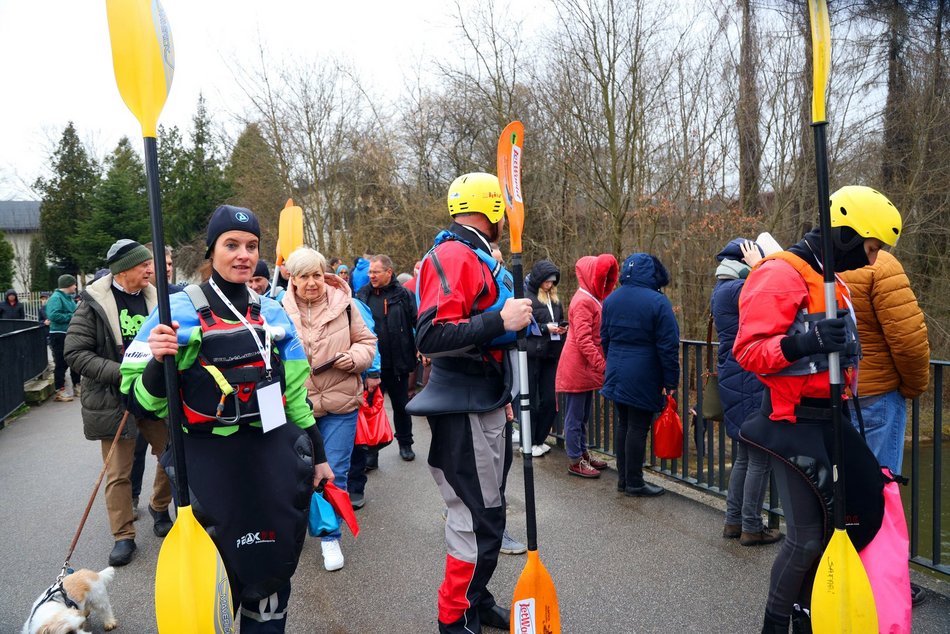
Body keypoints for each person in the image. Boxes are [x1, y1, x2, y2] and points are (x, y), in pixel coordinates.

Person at [120, 205, 334, 632]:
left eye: (252, 246)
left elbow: (295, 398)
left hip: (269, 460)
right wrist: (158, 361)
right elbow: (138, 402)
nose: (243, 255)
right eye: (231, 245)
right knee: (221, 574)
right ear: (211, 250)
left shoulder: (272, 312)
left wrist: (320, 457)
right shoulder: (173, 311)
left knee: (270, 570)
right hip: (206, 465)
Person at [734, 185, 901, 633]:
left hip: (832, 420)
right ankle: (774, 625)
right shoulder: (780, 274)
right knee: (806, 538)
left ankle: (810, 614)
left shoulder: (832, 280)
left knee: (843, 527)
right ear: (845, 235)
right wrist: (804, 343)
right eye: (870, 248)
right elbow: (747, 351)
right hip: (793, 422)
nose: (871, 260)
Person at [408, 171, 532, 633]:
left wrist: (502, 392)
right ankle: (455, 618)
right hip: (462, 406)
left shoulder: (476, 253)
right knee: (476, 518)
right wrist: (501, 320)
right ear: (495, 209)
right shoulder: (454, 254)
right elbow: (431, 336)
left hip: (485, 397)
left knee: (489, 511)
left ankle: (475, 601)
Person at [64, 239, 173, 566]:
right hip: (114, 398)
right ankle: (123, 536)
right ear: (123, 270)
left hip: (153, 393)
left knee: (172, 456)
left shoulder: (158, 298)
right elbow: (75, 353)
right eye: (144, 265)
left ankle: (159, 506)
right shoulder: (93, 304)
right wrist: (122, 372)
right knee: (118, 472)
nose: (151, 270)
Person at [281, 247, 376, 571]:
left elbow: (367, 342)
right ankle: (295, 530)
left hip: (340, 403)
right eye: (304, 276)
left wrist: (356, 358)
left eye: (317, 275)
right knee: (297, 474)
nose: (312, 282)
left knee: (333, 470)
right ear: (293, 279)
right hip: (297, 407)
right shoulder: (277, 309)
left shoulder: (345, 304)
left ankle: (329, 536)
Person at [712, 239, 782, 544]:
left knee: (744, 454)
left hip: (736, 376)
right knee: (760, 457)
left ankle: (734, 521)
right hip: (749, 378)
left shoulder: (722, 288)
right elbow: (772, 294)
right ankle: (752, 526)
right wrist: (761, 266)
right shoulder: (738, 289)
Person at [839, 249, 929, 475]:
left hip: (828, 396)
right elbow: (908, 341)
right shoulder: (881, 265)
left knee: (838, 486)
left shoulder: (817, 261)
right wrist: (913, 387)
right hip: (875, 399)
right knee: (881, 485)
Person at [601, 253, 680, 497]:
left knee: (624, 424)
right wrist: (670, 380)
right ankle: (635, 482)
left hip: (616, 370)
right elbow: (668, 346)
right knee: (638, 427)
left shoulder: (612, 299)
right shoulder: (658, 302)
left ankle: (624, 480)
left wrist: (613, 361)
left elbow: (604, 338)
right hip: (643, 373)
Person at [130, 243, 184, 518]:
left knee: (169, 452)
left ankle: (159, 506)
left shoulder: (179, 298)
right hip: (130, 388)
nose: (166, 269)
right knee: (133, 453)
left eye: (170, 264)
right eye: (159, 264)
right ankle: (131, 497)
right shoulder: (125, 297)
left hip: (166, 389)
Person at [554, 254, 618, 478]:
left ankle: (582, 453)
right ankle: (575, 460)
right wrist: (602, 365)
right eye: (602, 277)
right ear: (592, 276)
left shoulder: (590, 298)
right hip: (577, 367)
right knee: (575, 416)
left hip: (585, 367)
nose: (604, 281)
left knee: (582, 415)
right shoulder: (583, 301)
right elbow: (583, 340)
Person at [356, 254, 419, 461]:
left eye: (376, 272)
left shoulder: (404, 295)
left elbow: (417, 322)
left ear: (389, 272)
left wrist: (422, 348)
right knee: (371, 409)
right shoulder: (361, 295)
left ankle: (405, 443)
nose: (371, 276)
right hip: (371, 365)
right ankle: (371, 452)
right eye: (370, 272)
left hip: (398, 362)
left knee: (401, 406)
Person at [524, 259, 565, 457]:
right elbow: (524, 325)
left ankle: (539, 439)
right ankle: (529, 441)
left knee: (549, 400)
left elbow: (559, 319)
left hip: (551, 353)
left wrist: (562, 328)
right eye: (547, 281)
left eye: (552, 282)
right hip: (533, 354)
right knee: (531, 400)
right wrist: (544, 328)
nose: (550, 285)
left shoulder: (555, 300)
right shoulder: (528, 298)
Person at [46, 274, 81, 402]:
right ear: (68, 285)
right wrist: (72, 316)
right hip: (59, 334)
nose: (75, 287)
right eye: (74, 284)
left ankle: (77, 385)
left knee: (75, 360)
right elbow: (53, 315)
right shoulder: (56, 298)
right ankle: (60, 390)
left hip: (70, 333)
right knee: (61, 362)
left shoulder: (68, 298)